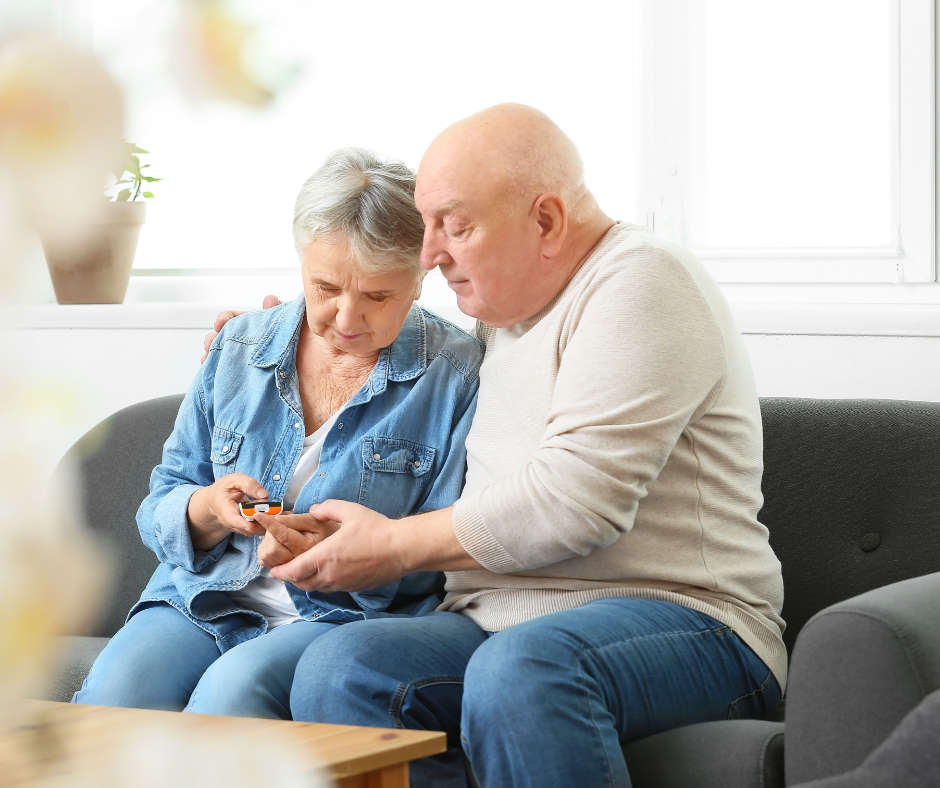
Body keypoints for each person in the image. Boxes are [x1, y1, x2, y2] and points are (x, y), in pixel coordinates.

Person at [207, 104, 786, 788]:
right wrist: (287, 339)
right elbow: (397, 352)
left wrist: (391, 546)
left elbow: (576, 504)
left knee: (527, 668)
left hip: (692, 623)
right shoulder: (498, 321)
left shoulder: (641, 281)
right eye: (428, 228)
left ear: (546, 220)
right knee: (342, 668)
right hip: (496, 621)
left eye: (455, 226)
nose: (430, 255)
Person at [72, 147, 484, 719]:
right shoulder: (240, 347)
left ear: (419, 278)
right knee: (115, 694)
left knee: (231, 696)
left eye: (377, 296)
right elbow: (165, 493)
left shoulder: (455, 375)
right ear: (300, 264)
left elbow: (449, 552)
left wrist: (346, 555)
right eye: (325, 288)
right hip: (205, 595)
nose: (345, 319)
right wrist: (207, 510)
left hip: (342, 616)